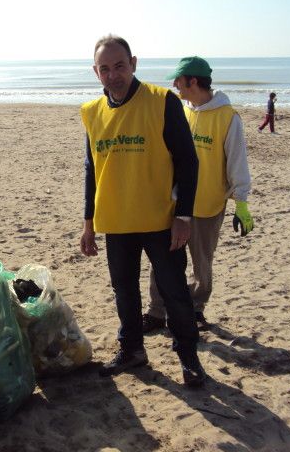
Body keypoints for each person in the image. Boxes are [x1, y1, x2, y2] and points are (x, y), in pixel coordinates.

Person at [80, 35, 206, 387]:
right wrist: (88, 222)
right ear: (96, 72)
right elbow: (92, 170)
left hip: (160, 220)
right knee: (124, 290)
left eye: (119, 65)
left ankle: (188, 356)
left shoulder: (161, 100)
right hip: (116, 221)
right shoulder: (92, 113)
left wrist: (184, 215)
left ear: (133, 63)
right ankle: (133, 349)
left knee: (174, 291)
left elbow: (188, 161)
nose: (113, 74)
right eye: (104, 69)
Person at [142, 56, 254, 334]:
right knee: (164, 260)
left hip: (208, 206)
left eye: (178, 79)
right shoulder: (181, 110)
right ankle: (157, 312)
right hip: (175, 203)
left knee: (201, 264)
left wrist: (242, 202)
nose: (174, 84)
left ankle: (195, 309)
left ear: (193, 81)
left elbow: (237, 162)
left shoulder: (228, 117)